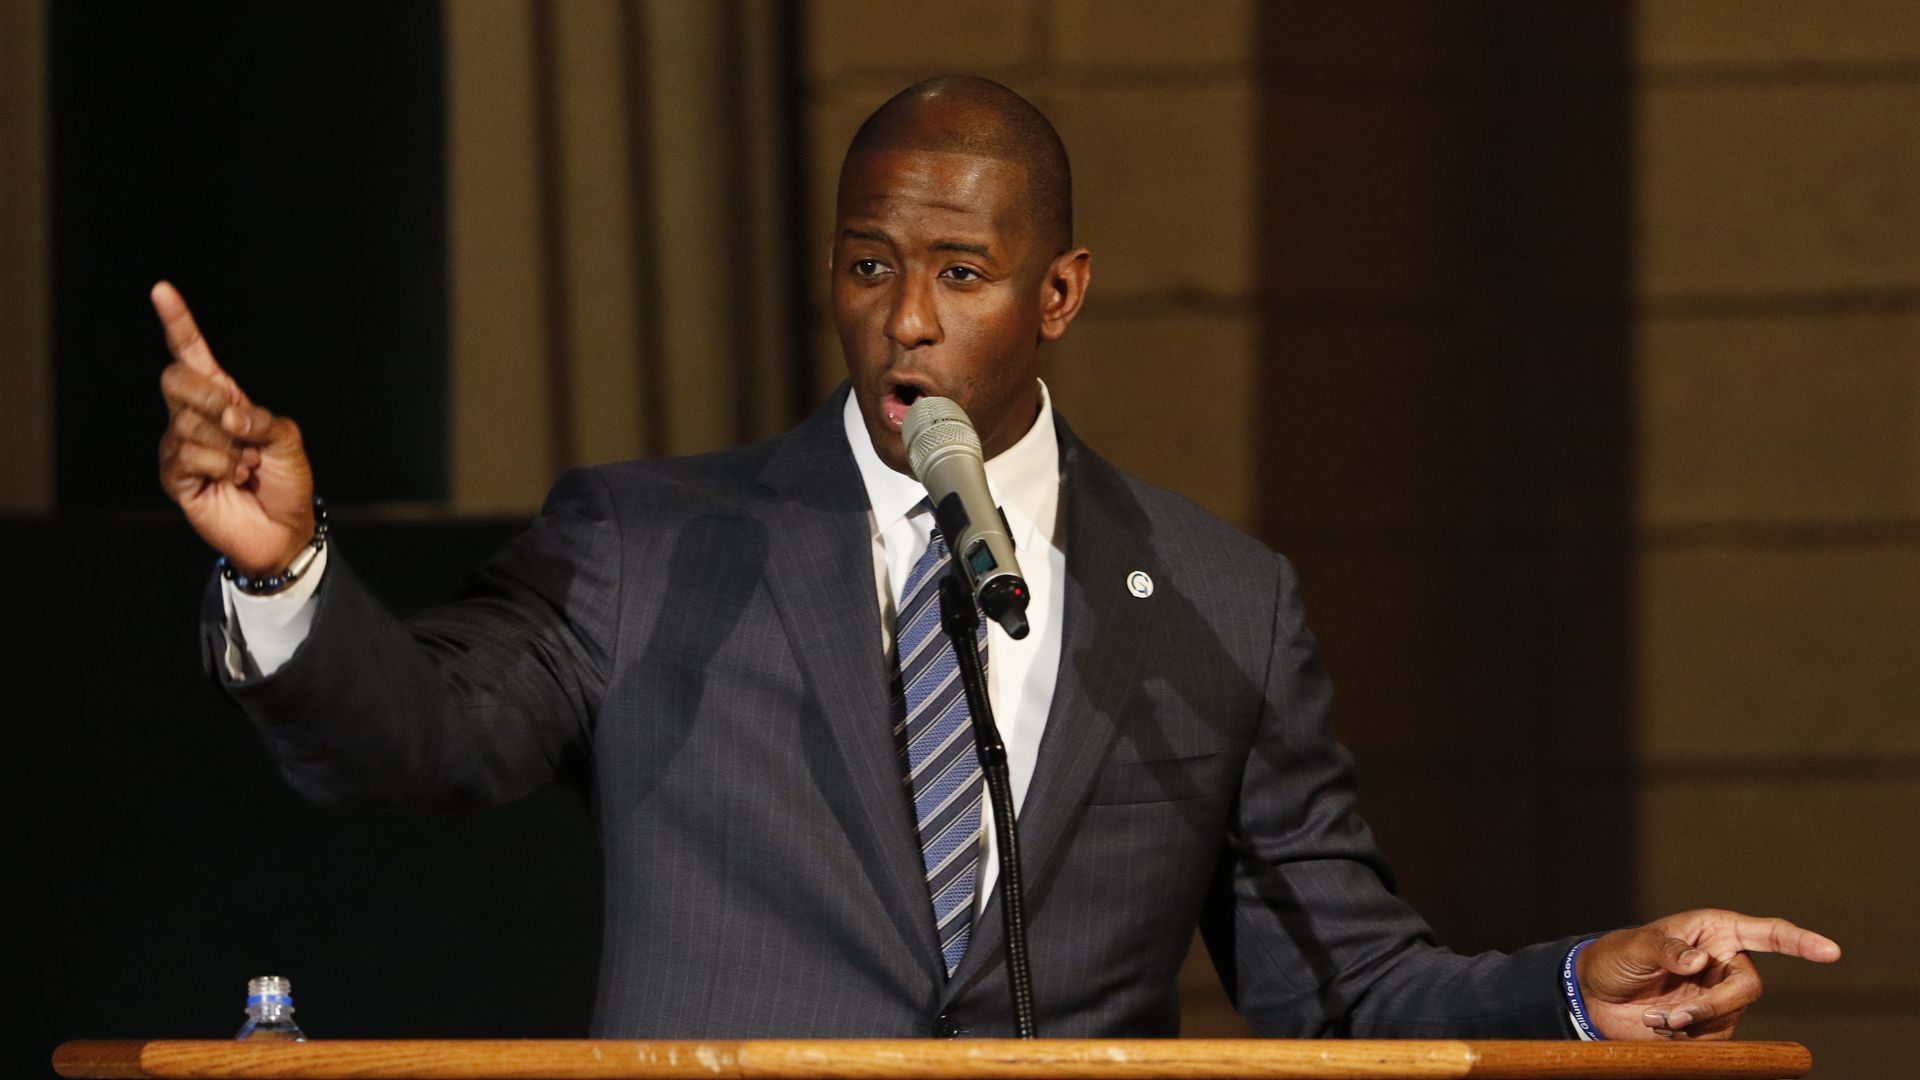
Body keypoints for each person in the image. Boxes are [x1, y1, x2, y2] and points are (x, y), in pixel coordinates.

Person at [154, 76, 1838, 1040]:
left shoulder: (1219, 601)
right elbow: (424, 739)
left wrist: (1569, 987)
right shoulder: (653, 547)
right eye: (869, 263)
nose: (903, 318)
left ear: (1060, 292)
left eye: (958, 272)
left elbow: (1339, 978)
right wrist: (289, 572)